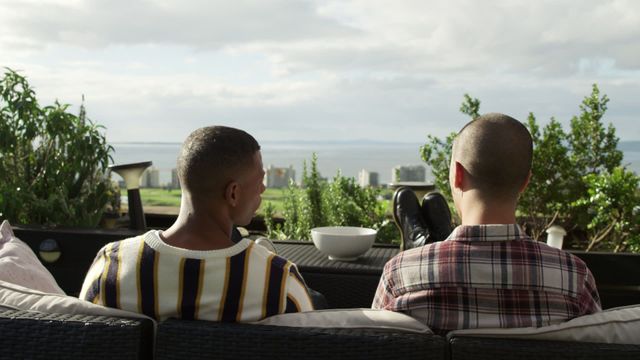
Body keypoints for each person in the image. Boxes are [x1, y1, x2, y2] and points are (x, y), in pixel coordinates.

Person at [372, 113, 601, 334]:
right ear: (525, 182)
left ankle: (429, 244)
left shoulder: (399, 275)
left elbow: (375, 343)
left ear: (457, 175)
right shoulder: (574, 278)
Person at [80, 126, 314, 321]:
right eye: (260, 181)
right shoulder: (277, 281)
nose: (263, 189)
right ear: (233, 193)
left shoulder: (110, 266)